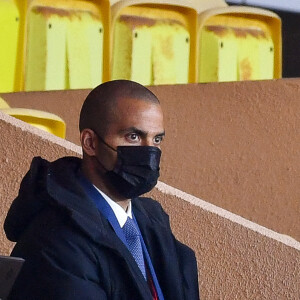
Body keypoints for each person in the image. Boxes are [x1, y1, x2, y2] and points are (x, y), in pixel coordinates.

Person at [4, 80, 199, 300]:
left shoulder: (151, 220)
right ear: (90, 143)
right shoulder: (56, 238)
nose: (149, 152)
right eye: (133, 137)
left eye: (157, 139)